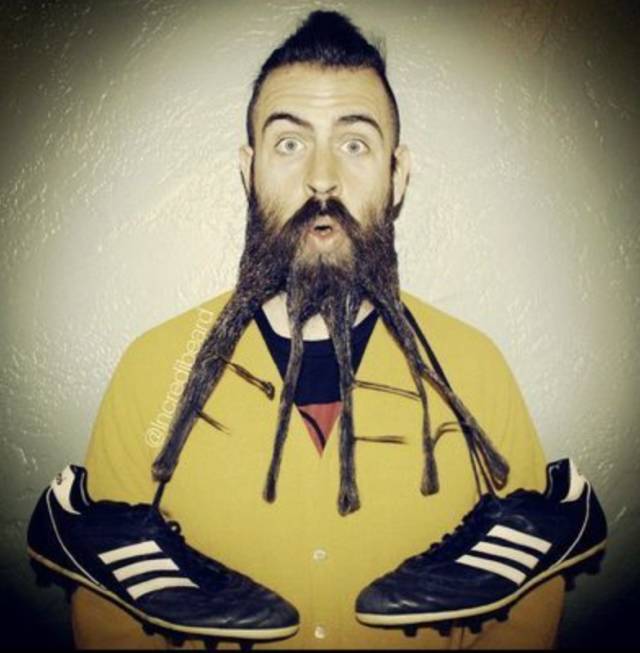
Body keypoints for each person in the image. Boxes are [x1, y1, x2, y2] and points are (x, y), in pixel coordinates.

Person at [71, 10, 564, 649]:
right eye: (289, 143)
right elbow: (109, 619)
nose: (322, 177)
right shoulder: (152, 370)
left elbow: (526, 607)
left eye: (355, 143)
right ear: (249, 170)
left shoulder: (474, 369)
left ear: (398, 174)